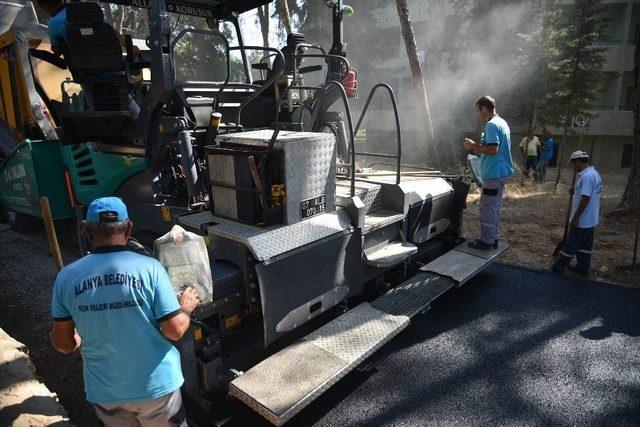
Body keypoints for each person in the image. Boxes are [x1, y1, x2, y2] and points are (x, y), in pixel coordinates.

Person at [50, 197, 201, 426]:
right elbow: (174, 331)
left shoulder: (66, 277)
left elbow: (64, 344)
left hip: (106, 393)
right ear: (128, 228)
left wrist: (77, 335)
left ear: (86, 231)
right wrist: (186, 307)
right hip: (156, 389)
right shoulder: (150, 268)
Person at [463, 96, 515, 250]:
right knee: (494, 207)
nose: (477, 114)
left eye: (477, 111)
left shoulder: (491, 125)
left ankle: (486, 242)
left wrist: (473, 146)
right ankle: (493, 239)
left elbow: (493, 149)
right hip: (499, 172)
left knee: (487, 207)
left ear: (484, 109)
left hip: (494, 173)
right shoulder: (502, 122)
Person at [551, 151, 602, 276]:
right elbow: (588, 192)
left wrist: (575, 218)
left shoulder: (586, 177)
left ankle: (559, 267)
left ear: (577, 162)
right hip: (590, 219)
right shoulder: (594, 173)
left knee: (571, 244)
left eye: (573, 164)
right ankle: (583, 267)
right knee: (585, 245)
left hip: (582, 220)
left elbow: (586, 198)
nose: (573, 167)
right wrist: (576, 190)